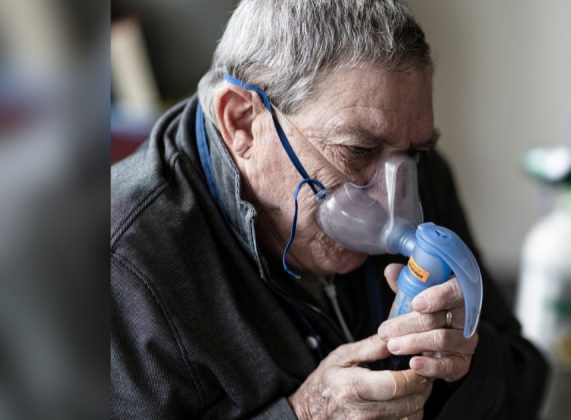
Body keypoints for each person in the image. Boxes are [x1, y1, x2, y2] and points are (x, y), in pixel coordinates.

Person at [111, 0, 547, 418]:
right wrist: (304, 415)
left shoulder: (420, 171)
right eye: (358, 151)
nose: (396, 205)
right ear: (241, 122)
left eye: (413, 153)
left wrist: (463, 366)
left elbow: (527, 383)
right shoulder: (121, 266)